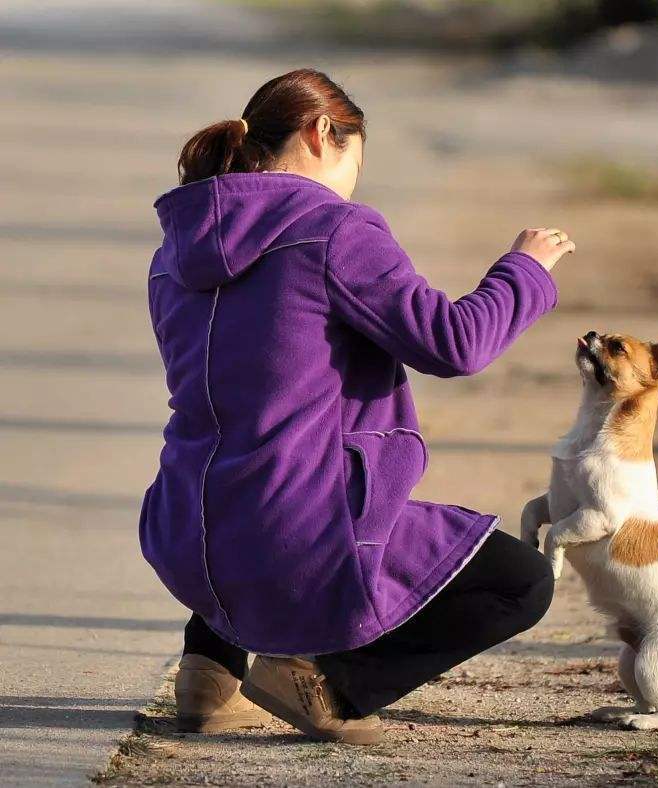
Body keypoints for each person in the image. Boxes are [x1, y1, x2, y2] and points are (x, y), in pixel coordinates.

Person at [141, 69, 574, 744]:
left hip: (182, 537)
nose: (354, 186)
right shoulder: (333, 229)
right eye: (355, 162)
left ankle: (209, 664)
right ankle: (326, 684)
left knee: (246, 469)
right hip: (297, 542)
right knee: (521, 583)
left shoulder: (174, 250)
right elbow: (455, 344)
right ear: (321, 134)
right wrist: (525, 270)